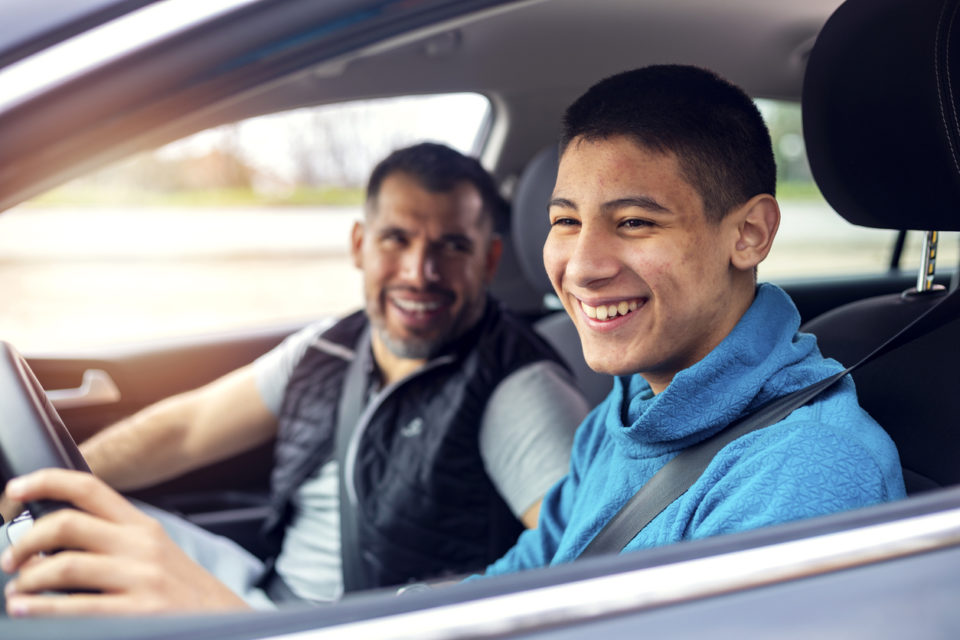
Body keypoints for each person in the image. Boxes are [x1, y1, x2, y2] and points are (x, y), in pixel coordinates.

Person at [0, 142, 589, 615]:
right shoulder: (332, 345)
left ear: (487, 260)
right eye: (397, 238)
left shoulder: (516, 388)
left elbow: (581, 560)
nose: (419, 271)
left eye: (451, 246)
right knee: (52, 543)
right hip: (262, 590)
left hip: (329, 627)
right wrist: (39, 489)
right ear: (360, 245)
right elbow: (186, 429)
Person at [475, 65, 906, 577]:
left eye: (635, 222)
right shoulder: (625, 411)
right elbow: (525, 579)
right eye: (566, 221)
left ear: (749, 233)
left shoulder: (805, 470)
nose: (584, 268)